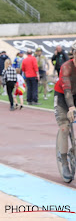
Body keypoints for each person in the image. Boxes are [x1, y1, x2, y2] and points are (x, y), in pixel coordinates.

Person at [54, 40, 76, 182]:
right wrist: (71, 107)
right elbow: (67, 91)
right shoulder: (66, 67)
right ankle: (64, 163)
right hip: (63, 97)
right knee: (64, 127)